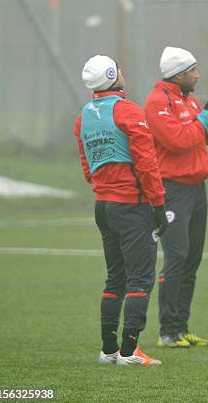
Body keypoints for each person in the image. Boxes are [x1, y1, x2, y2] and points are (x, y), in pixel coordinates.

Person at [74, 55, 168, 366]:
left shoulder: (83, 116)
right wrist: (158, 203)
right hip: (132, 206)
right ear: (113, 75)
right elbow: (146, 162)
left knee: (115, 278)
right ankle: (130, 351)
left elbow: (88, 166)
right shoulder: (127, 111)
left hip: (103, 204)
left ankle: (108, 350)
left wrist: (105, 185)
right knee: (140, 279)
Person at [145, 46, 208, 349]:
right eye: (192, 71)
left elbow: (203, 136)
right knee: (177, 257)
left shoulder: (191, 101)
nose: (197, 76)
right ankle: (167, 332)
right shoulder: (156, 102)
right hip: (172, 190)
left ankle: (182, 327)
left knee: (192, 259)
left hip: (197, 189)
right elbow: (176, 140)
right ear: (178, 74)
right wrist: (202, 122)